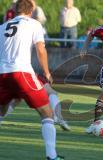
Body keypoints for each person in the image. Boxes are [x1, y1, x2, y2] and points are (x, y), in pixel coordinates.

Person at [0, 0, 64, 159]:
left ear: (15, 9)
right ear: (31, 10)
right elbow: (41, 50)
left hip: (2, 75)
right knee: (47, 113)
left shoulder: (2, 27)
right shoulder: (34, 24)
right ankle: (52, 156)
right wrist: (47, 72)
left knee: (1, 113)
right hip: (22, 73)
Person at [0, 75, 71, 131]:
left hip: (7, 73)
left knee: (16, 99)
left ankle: (58, 117)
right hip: (23, 73)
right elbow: (41, 56)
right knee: (51, 92)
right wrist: (47, 72)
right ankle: (58, 117)